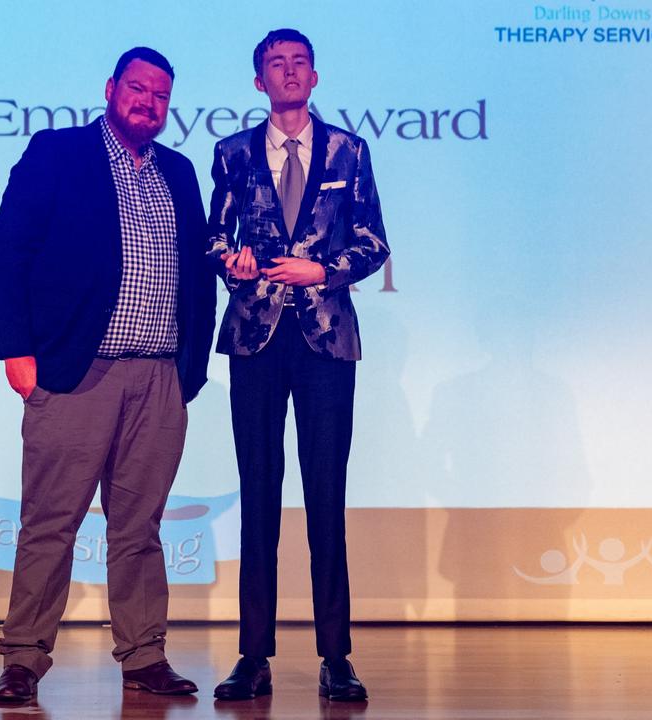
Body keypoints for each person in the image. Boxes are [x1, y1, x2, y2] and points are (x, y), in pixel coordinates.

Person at [0, 46, 216, 704]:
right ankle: (24, 658)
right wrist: (14, 346)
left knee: (139, 528)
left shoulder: (179, 170)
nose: (149, 102)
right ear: (111, 89)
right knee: (51, 522)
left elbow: (197, 272)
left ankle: (144, 656)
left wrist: (189, 368)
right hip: (76, 371)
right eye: (138, 88)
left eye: (161, 95)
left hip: (159, 377)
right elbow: (8, 249)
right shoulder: (58, 153)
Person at [206, 29, 390, 703]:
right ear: (259, 82)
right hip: (256, 336)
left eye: (298, 63)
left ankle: (335, 655)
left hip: (325, 339)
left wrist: (325, 269)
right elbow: (214, 236)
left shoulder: (350, 150)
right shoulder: (231, 153)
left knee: (325, 498)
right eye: (274, 65)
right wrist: (233, 261)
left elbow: (373, 242)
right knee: (258, 495)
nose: (288, 73)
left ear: (315, 77)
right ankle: (253, 654)